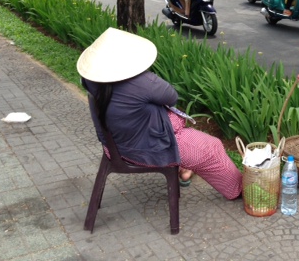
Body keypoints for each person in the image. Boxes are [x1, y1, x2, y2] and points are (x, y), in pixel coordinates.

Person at [78, 27, 242, 199]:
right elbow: (171, 97)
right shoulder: (141, 82)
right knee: (212, 146)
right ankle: (236, 190)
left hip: (116, 146)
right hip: (150, 149)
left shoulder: (90, 80)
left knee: (187, 137)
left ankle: (185, 168)